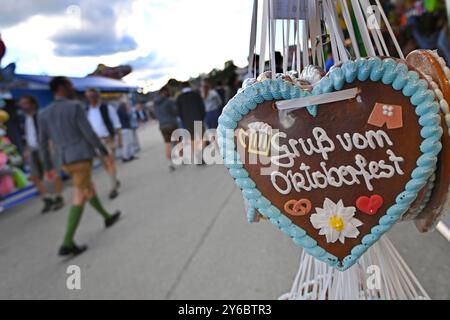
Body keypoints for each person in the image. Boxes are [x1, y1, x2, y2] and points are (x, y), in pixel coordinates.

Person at [39, 76, 120, 256]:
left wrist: (48, 166)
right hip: (81, 157)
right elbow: (88, 133)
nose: (72, 87)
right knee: (80, 194)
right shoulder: (74, 107)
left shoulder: (44, 114)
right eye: (69, 85)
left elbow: (42, 142)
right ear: (61, 87)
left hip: (64, 160)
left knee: (88, 187)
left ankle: (107, 217)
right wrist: (102, 150)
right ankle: (67, 242)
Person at [18, 95, 64, 213]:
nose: (22, 106)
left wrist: (50, 147)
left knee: (53, 173)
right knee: (35, 176)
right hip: (33, 150)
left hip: (45, 148)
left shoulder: (41, 115)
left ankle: (58, 197)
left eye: (25, 103)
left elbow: (50, 131)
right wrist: (27, 149)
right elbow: (27, 135)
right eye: (21, 104)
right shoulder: (23, 119)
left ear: (33, 104)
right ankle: (47, 198)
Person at [85, 88, 122, 199]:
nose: (91, 99)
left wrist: (119, 139)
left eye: (93, 96)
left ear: (98, 96)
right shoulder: (88, 111)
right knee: (105, 164)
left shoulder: (107, 108)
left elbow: (116, 124)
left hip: (108, 139)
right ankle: (114, 179)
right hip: (96, 141)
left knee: (110, 162)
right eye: (89, 97)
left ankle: (113, 188)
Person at [176, 82, 206, 164]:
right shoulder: (195, 94)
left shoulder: (179, 98)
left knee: (192, 139)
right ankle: (201, 155)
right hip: (198, 118)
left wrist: (184, 120)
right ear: (189, 86)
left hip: (187, 121)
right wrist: (202, 117)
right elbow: (202, 107)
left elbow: (179, 112)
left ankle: (197, 157)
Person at [153, 86, 179, 171]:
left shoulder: (155, 103)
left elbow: (154, 115)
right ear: (165, 92)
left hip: (162, 126)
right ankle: (182, 158)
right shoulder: (168, 101)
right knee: (178, 141)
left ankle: (170, 163)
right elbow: (175, 112)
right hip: (171, 124)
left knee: (167, 144)